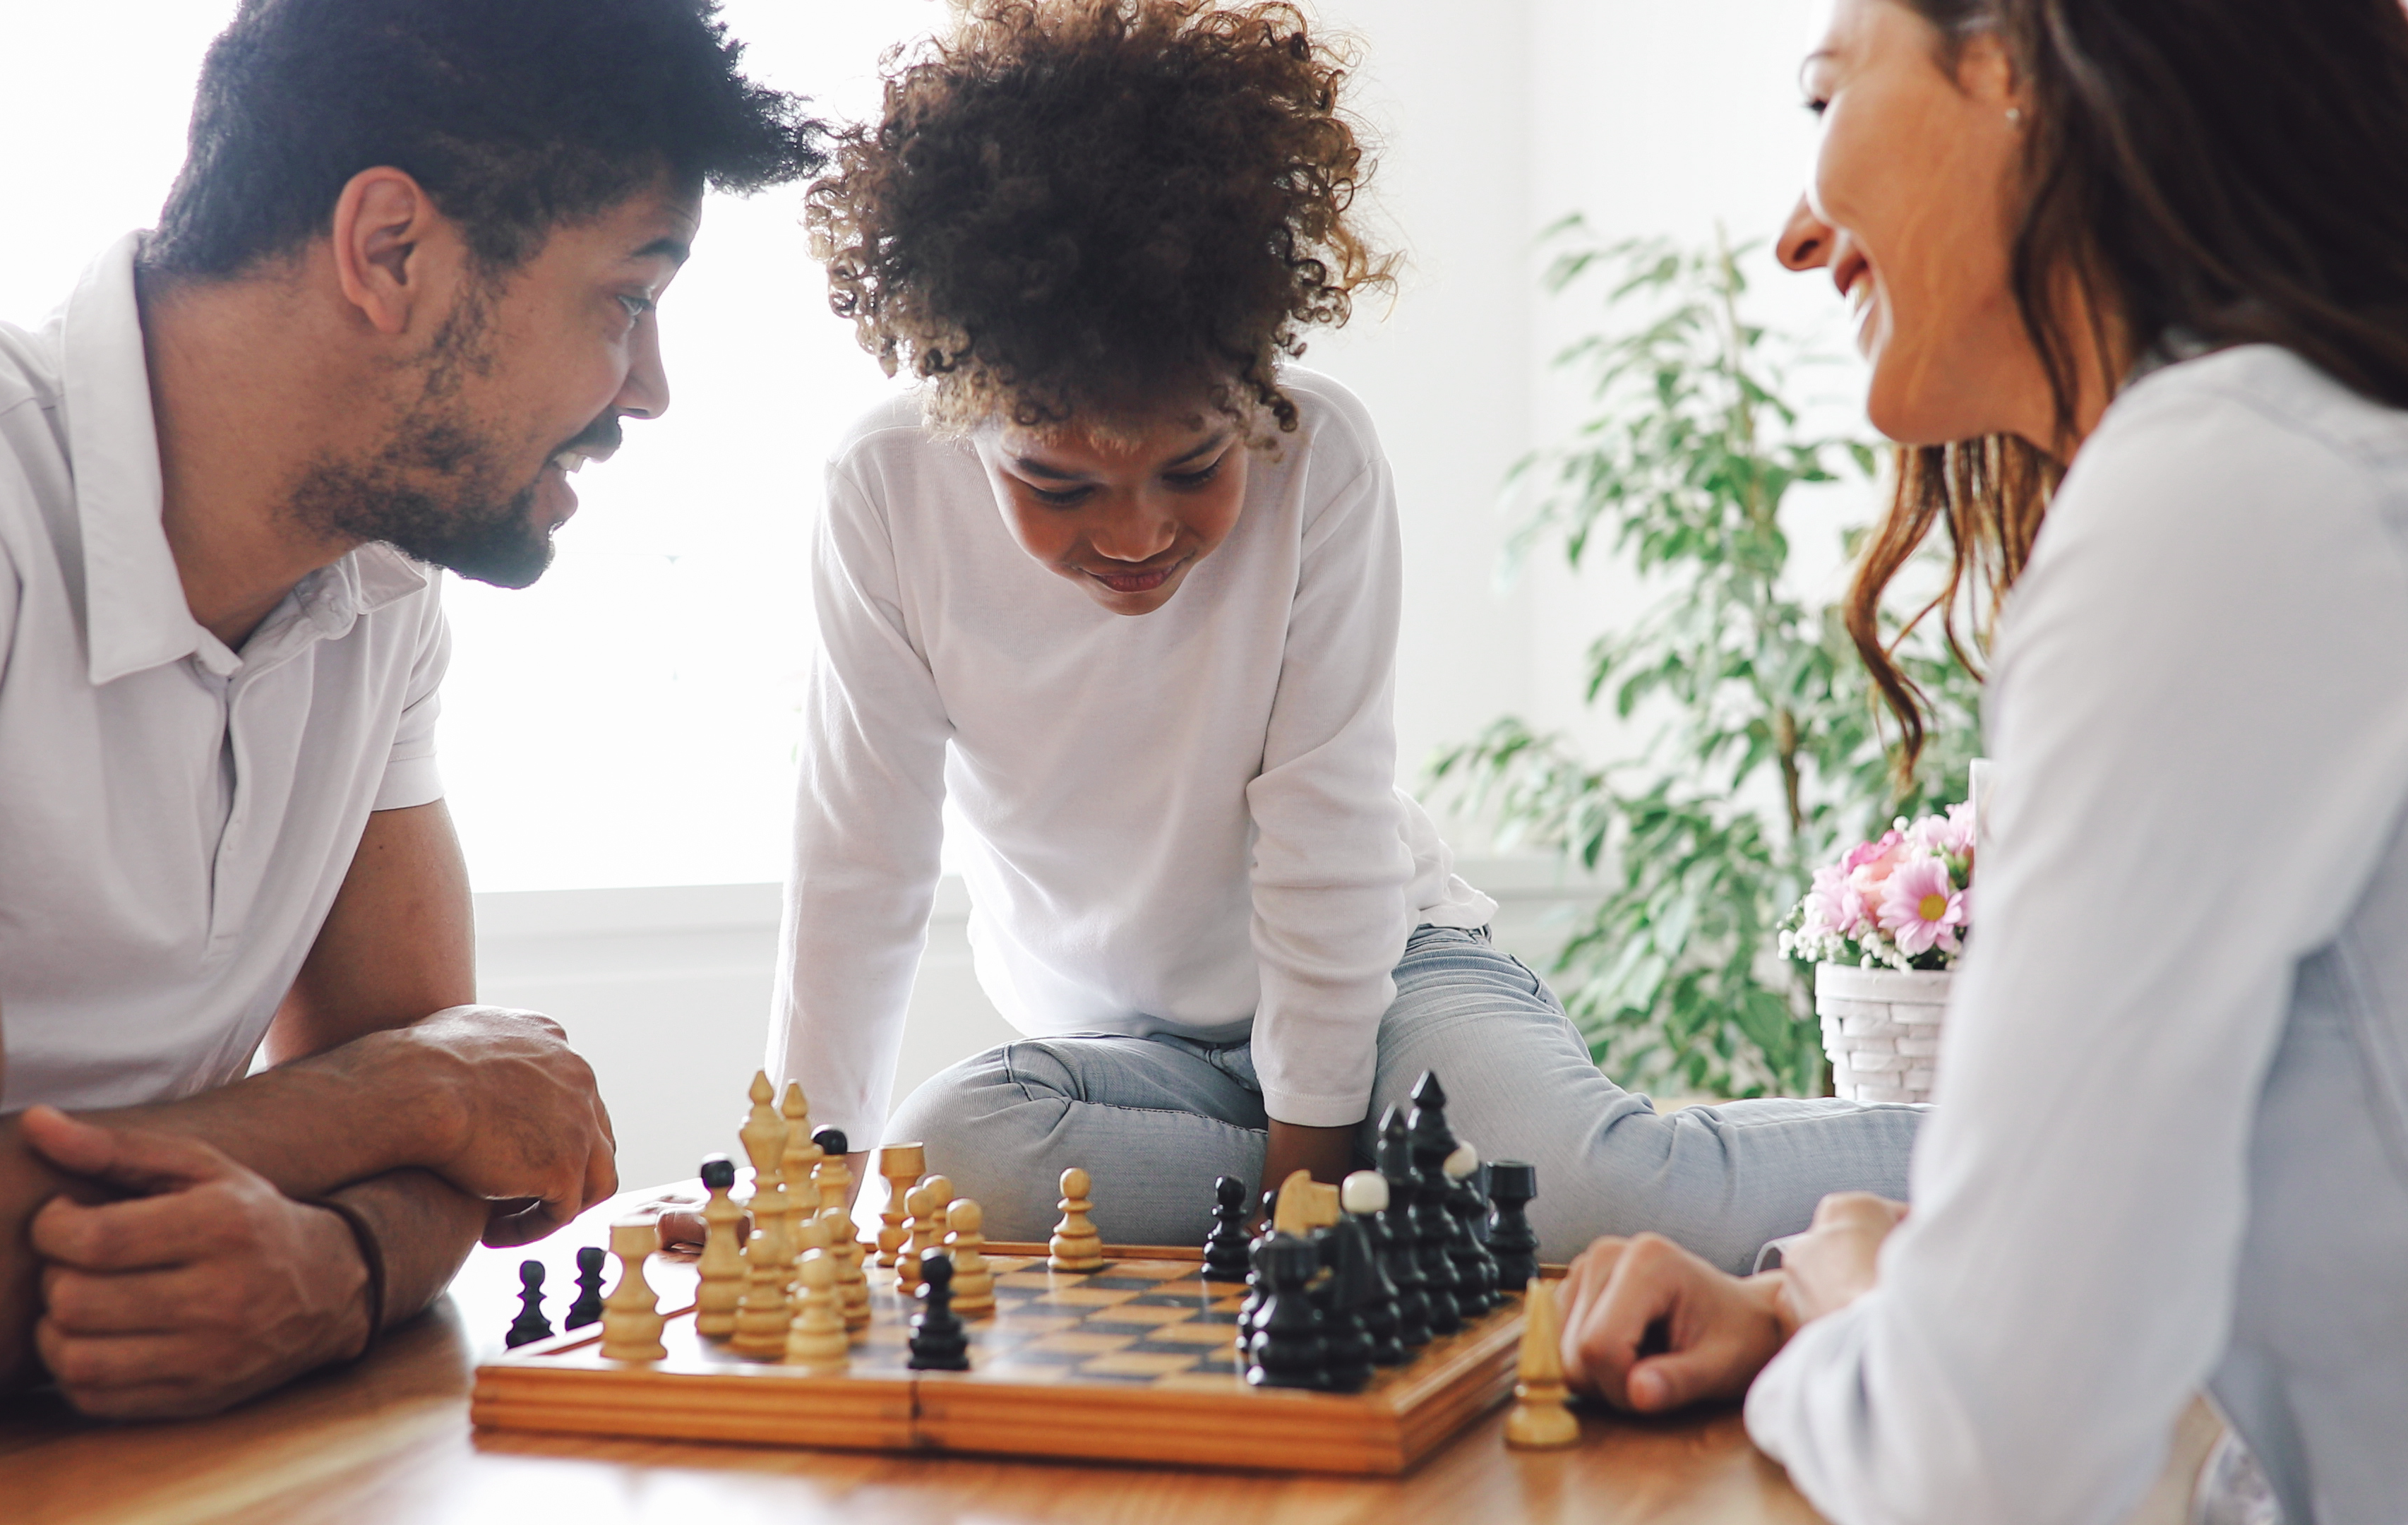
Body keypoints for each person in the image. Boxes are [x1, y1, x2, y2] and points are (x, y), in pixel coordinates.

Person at [1552, 1, 2408, 1521]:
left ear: (2013, 60)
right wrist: (1861, 1310)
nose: (1796, 236)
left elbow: (1987, 1460)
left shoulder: (2232, 488)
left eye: (1821, 95)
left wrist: (1855, 1315)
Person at [0, 0, 813, 1427]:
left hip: (74, 1451)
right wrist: (382, 1105)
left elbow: (480, 1148)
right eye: (626, 298)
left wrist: (346, 1263)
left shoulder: (377, 591)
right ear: (390, 253)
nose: (651, 392)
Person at [760, 0, 1923, 1257]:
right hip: (1136, 1056)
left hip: (1393, 987)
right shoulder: (884, 490)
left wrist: (1310, 1191)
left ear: (1254, 387)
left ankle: (2003, 1141)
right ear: (964, 407)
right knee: (947, 1162)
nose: (1141, 533)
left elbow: (1324, 829)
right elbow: (859, 862)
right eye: (1059, 487)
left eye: (1196, 464)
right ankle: (1442, 1202)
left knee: (1589, 1203)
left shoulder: (1324, 459)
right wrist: (793, 1194)